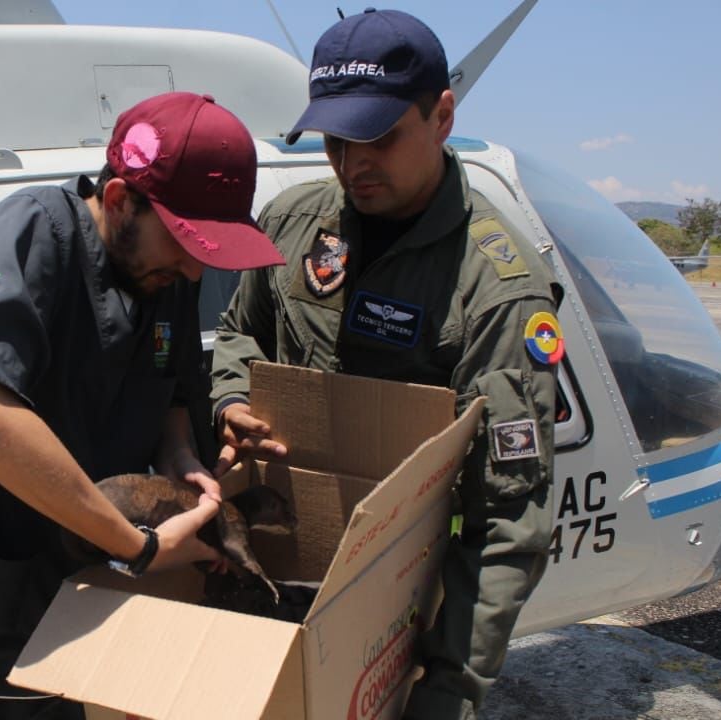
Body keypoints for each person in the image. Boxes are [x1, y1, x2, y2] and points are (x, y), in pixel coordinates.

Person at [0, 91, 285, 720]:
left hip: (86, 624)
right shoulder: (36, 230)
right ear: (117, 201)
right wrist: (139, 549)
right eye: (186, 244)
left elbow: (168, 387)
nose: (194, 272)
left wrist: (181, 456)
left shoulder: (164, 276)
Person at [209, 9, 560, 720]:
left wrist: (447, 693)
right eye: (337, 139)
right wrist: (229, 401)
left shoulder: (496, 286)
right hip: (279, 572)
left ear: (442, 116)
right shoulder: (295, 223)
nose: (352, 162)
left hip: (402, 604)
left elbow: (506, 521)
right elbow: (238, 333)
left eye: (378, 136)